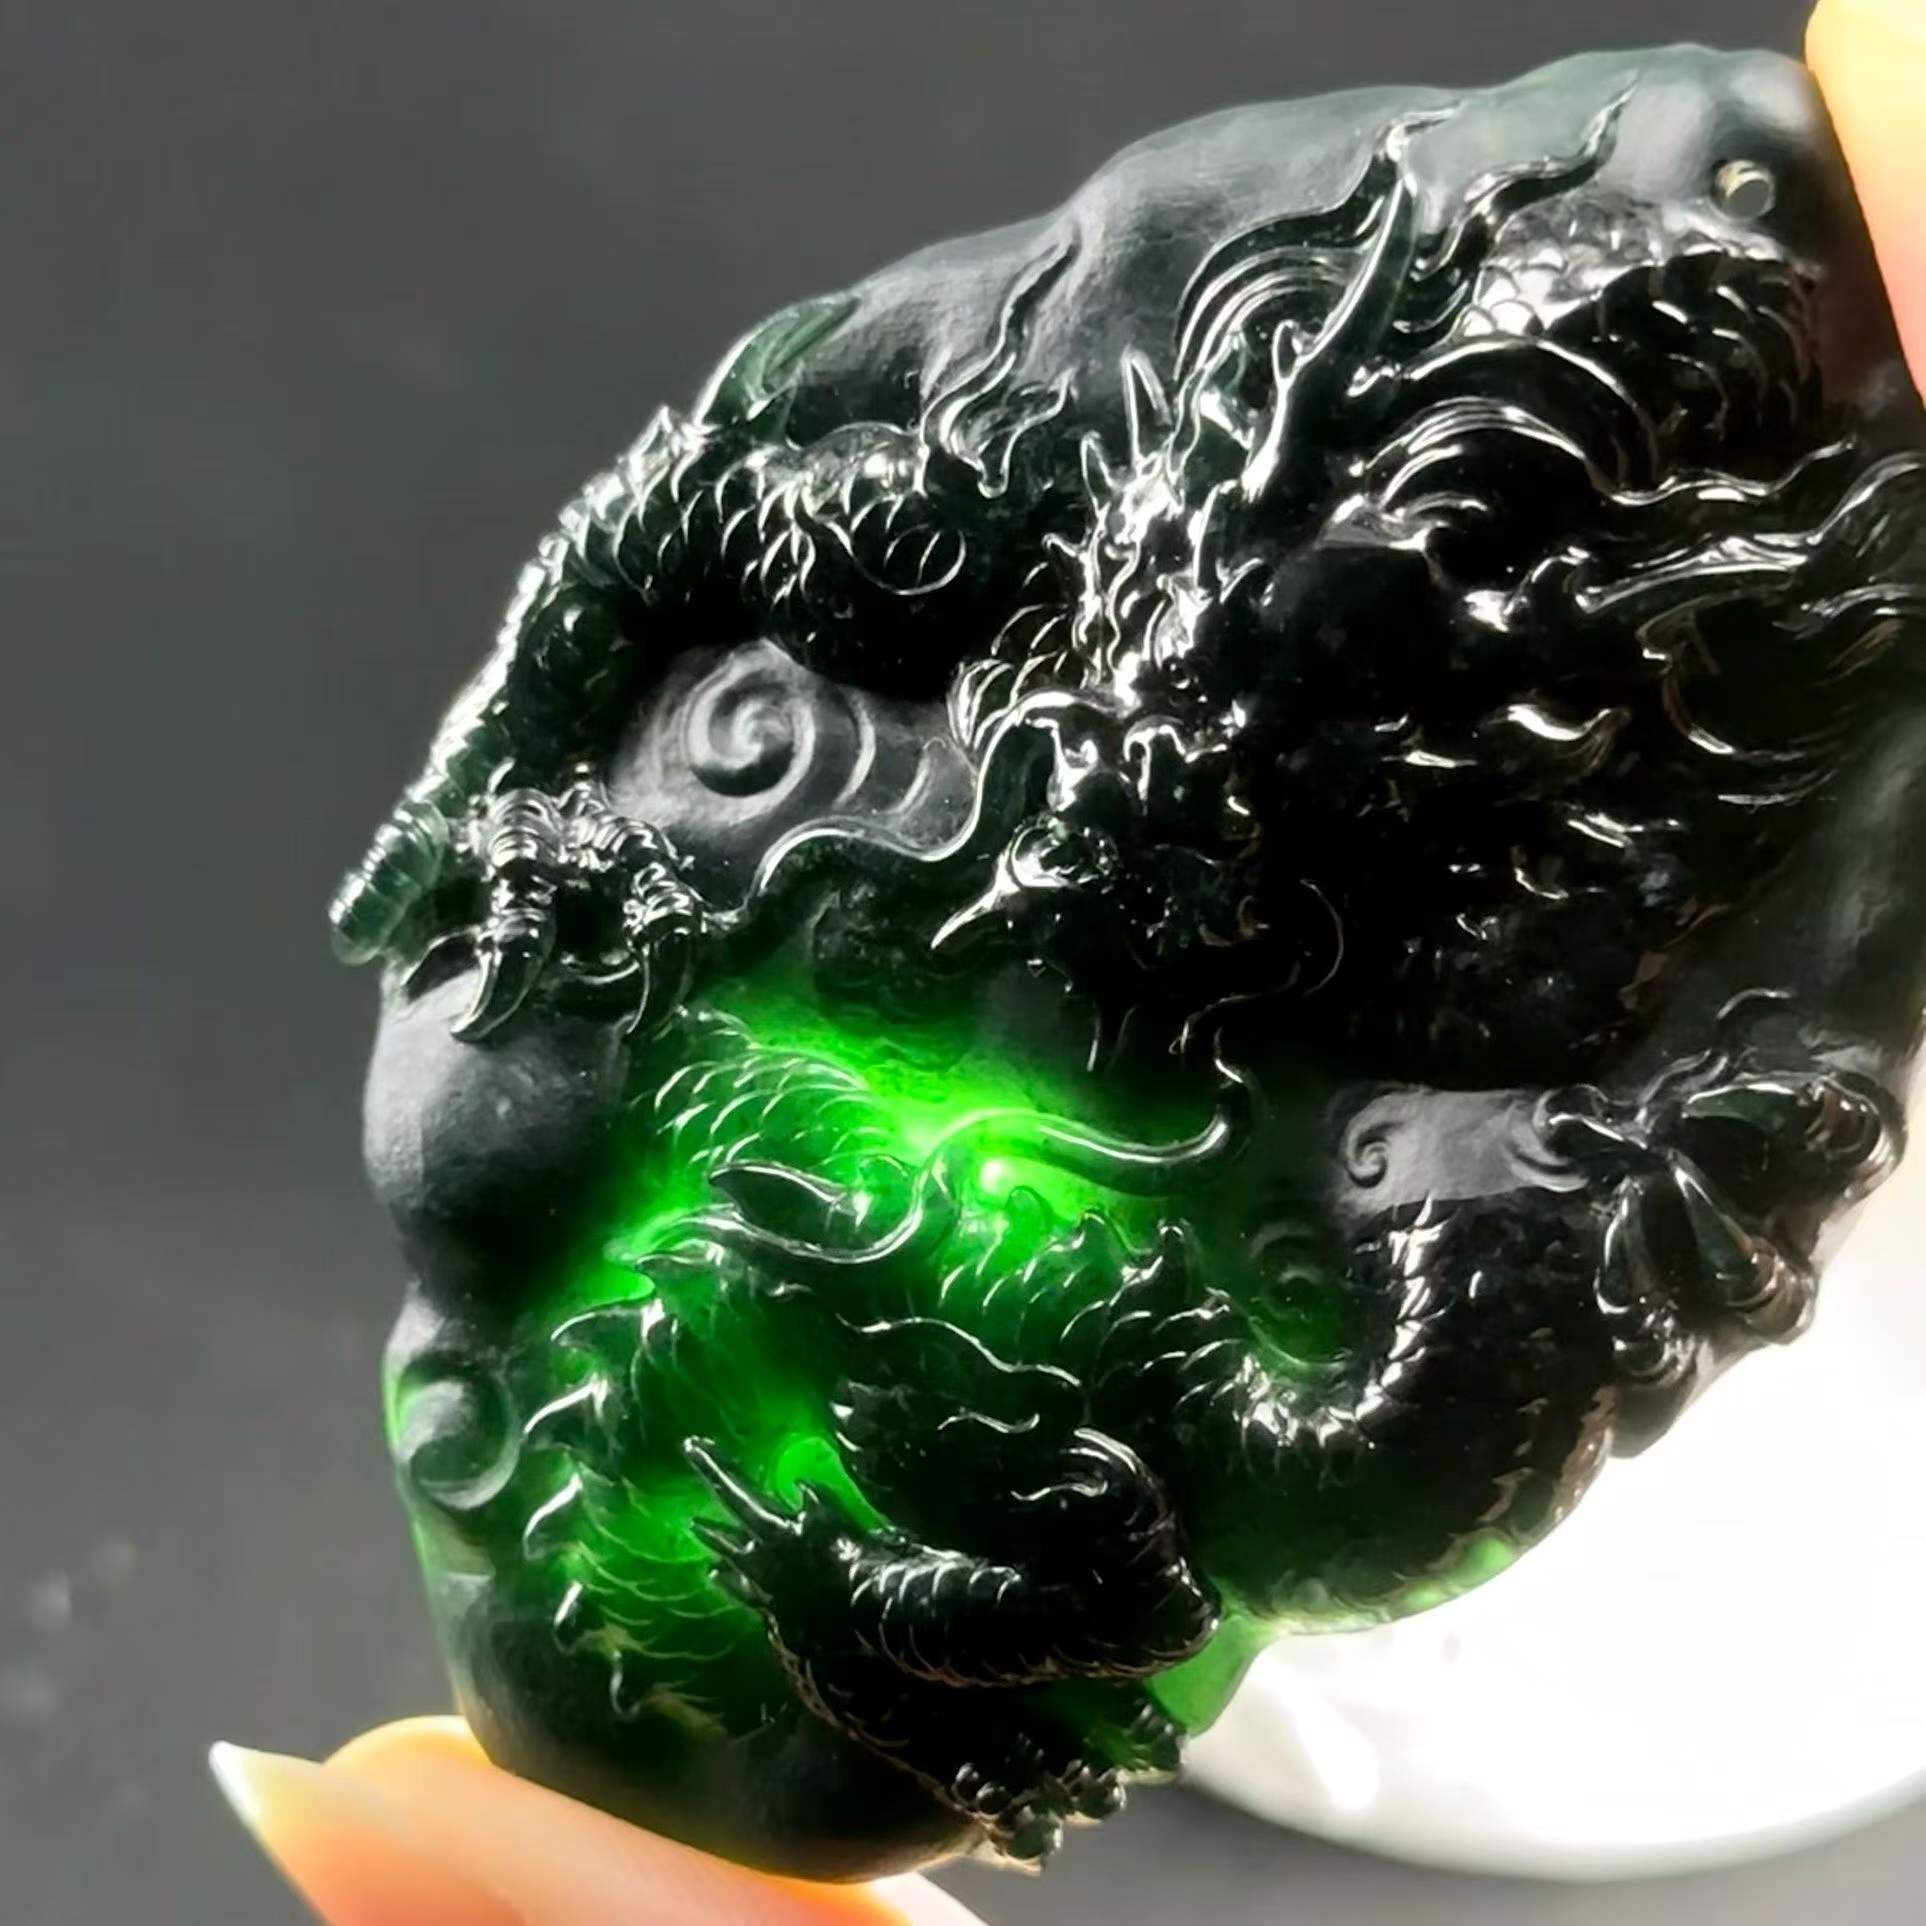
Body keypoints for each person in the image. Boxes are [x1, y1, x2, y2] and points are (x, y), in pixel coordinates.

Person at [207, 1, 1926, 1916]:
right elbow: (693, 518)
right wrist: (501, 781)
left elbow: (1537, 1316)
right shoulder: (1002, 549)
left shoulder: (1531, 1020)